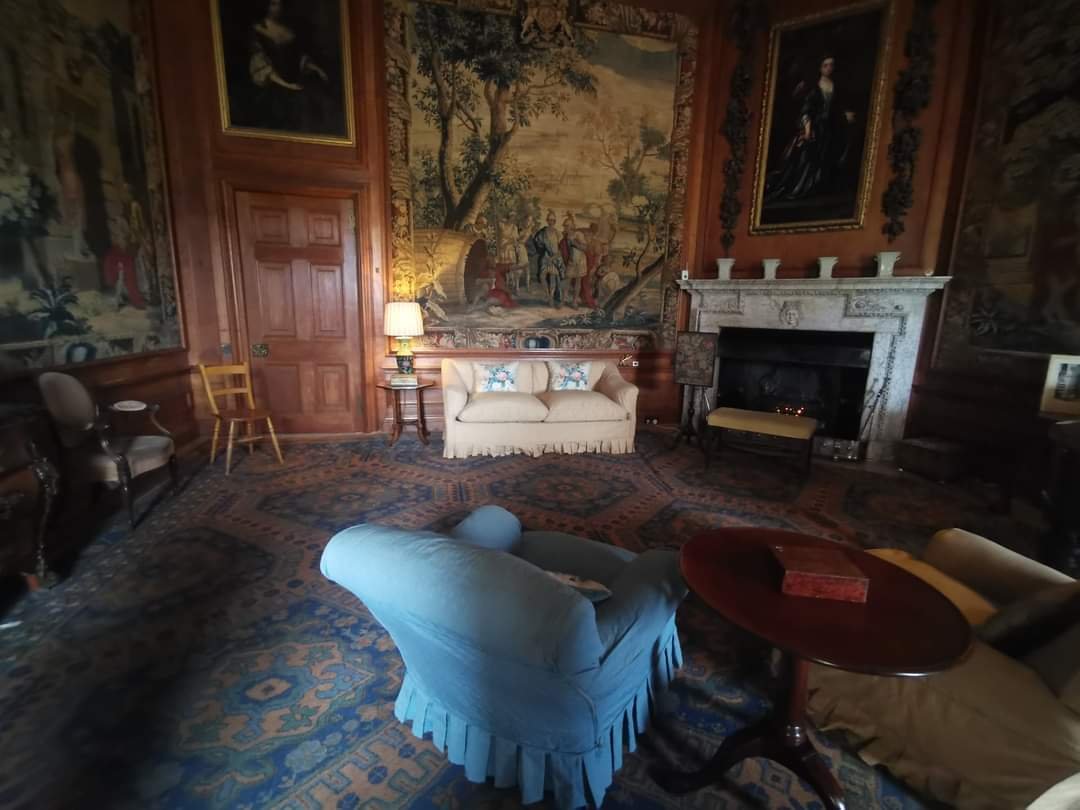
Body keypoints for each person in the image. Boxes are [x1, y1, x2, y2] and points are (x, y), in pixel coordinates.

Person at [764, 55, 857, 203]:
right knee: (806, 158)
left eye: (831, 65)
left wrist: (845, 115)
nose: (829, 68)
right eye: (826, 65)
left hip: (828, 128)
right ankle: (801, 188)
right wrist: (807, 130)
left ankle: (818, 188)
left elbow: (836, 107)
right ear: (820, 68)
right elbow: (806, 111)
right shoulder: (814, 88)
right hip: (814, 127)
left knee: (826, 157)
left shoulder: (835, 86)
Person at [245, 0, 332, 133]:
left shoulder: (290, 29)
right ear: (266, 5)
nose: (278, 8)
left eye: (281, 4)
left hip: (296, 81)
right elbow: (261, 65)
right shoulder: (257, 31)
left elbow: (298, 57)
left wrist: (316, 68)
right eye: (274, 4)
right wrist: (287, 86)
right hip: (274, 86)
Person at [531, 211, 564, 306]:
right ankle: (548, 295)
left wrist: (553, 258)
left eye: (553, 220)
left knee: (553, 277)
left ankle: (551, 298)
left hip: (555, 258)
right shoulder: (542, 232)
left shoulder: (558, 233)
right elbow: (538, 243)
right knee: (542, 276)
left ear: (555, 221)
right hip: (545, 256)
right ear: (547, 221)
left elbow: (561, 249)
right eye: (549, 220)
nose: (551, 222)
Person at [562, 214, 588, 308]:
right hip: (572, 261)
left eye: (567, 225)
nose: (565, 227)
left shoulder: (578, 234)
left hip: (580, 261)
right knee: (567, 280)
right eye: (565, 225)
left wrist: (574, 243)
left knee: (578, 282)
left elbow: (585, 247)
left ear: (572, 226)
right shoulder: (566, 235)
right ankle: (563, 300)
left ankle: (574, 302)